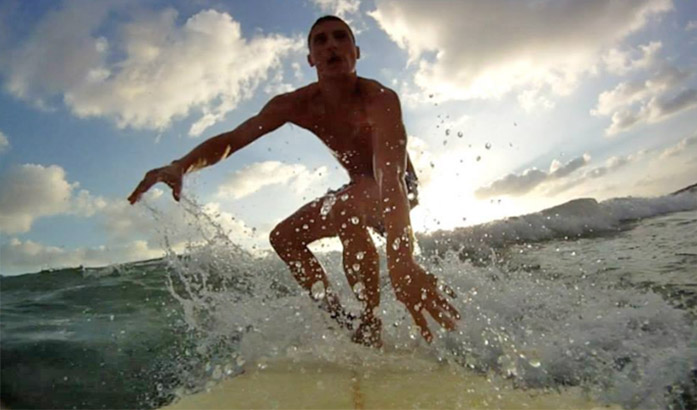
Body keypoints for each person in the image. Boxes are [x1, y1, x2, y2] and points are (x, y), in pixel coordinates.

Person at [128, 15, 460, 347]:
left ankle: (371, 322)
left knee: (346, 209)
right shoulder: (295, 104)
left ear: (356, 52)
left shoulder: (379, 98)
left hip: (400, 186)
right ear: (310, 59)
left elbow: (391, 175)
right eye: (320, 40)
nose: (331, 45)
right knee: (284, 238)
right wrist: (181, 165)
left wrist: (402, 261)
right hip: (358, 190)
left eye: (340, 37)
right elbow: (233, 139)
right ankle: (343, 320)